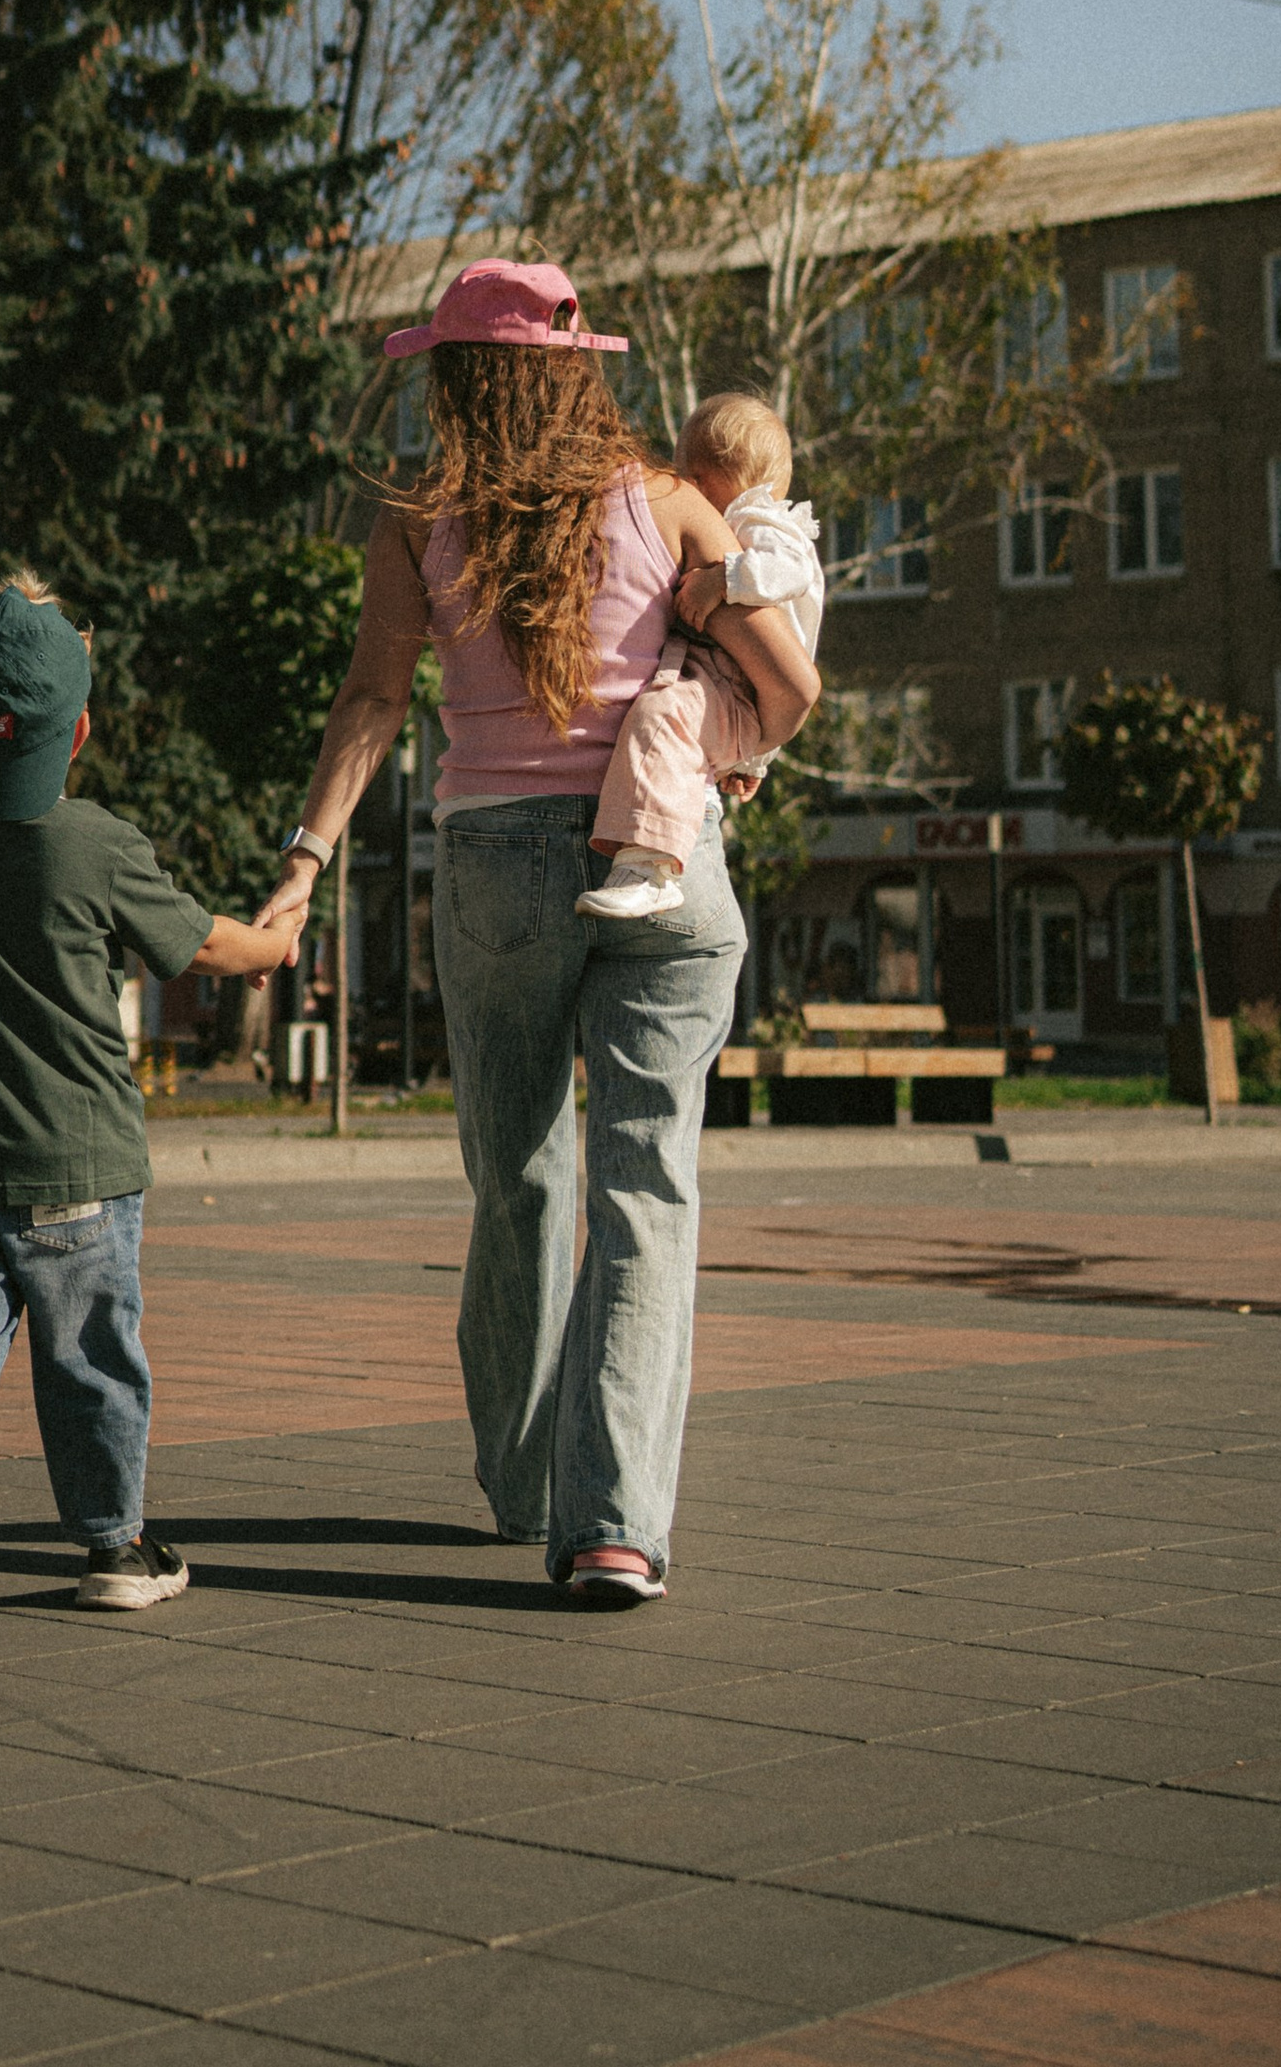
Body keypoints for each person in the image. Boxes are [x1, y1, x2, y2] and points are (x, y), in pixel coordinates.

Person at [261, 261, 819, 1605]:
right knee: (648, 1190)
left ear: (457, 381)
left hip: (499, 868)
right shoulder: (673, 503)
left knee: (519, 1177)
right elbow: (792, 684)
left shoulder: (419, 519)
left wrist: (305, 862)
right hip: (663, 866)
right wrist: (735, 753)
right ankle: (612, 1524)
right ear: (580, 374)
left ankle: (523, 1485)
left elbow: (372, 699)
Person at [0, 573, 304, 1647]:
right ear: (77, 730)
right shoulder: (93, 841)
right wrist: (276, 942)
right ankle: (114, 1547)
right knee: (89, 1347)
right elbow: (201, 943)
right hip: (74, 1160)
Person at [578, 391, 823, 924]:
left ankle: (650, 870)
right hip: (732, 690)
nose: (683, 489)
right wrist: (753, 762)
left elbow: (792, 571)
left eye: (690, 477)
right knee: (667, 716)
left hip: (736, 694)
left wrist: (721, 580)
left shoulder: (763, 522)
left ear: (710, 479)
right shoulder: (745, 521)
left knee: (662, 717)